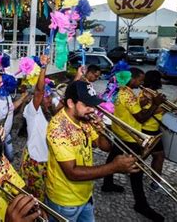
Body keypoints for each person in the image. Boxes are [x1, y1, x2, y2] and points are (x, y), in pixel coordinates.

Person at [45, 80, 140, 222]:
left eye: (93, 104)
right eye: (87, 105)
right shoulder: (58, 129)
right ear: (71, 103)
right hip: (65, 201)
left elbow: (104, 146)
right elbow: (72, 173)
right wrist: (114, 167)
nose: (92, 109)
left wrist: (102, 130)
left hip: (85, 193)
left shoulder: (84, 118)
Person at [101, 68, 166, 221]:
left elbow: (130, 107)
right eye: (139, 80)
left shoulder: (122, 91)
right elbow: (142, 119)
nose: (142, 83)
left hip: (120, 132)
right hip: (129, 136)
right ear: (132, 79)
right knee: (137, 170)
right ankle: (141, 204)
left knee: (113, 156)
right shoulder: (129, 96)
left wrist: (142, 101)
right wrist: (154, 105)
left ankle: (107, 184)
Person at [19, 54, 55, 201]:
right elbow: (39, 92)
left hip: (50, 163)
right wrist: (43, 67)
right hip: (35, 161)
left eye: (50, 96)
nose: (48, 99)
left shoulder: (52, 112)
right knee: (33, 200)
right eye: (45, 96)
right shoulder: (32, 110)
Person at [0, 73, 28, 162]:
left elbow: (11, 108)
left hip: (7, 133)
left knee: (10, 156)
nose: (2, 85)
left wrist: (23, 97)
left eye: (4, 82)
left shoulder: (6, 95)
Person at [141, 70, 166, 191]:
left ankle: (156, 182)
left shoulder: (154, 93)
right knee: (145, 157)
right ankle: (134, 172)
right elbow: (144, 113)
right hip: (147, 131)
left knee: (158, 156)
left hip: (154, 130)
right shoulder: (145, 94)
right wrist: (159, 108)